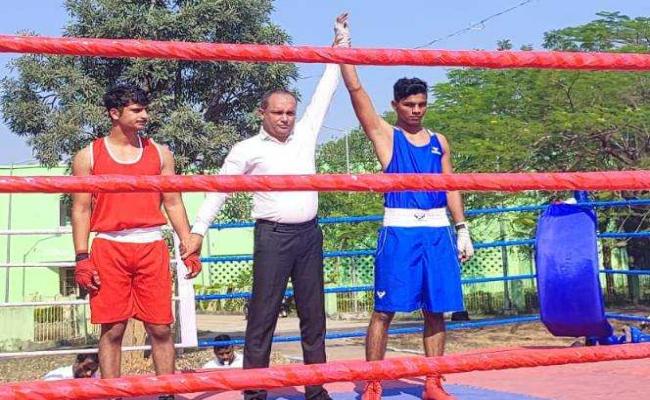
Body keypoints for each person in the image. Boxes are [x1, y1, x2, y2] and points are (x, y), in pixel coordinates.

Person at [180, 17, 349, 400]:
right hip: (272, 237)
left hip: (309, 235)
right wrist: (197, 232)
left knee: (314, 318)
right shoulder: (246, 149)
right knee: (262, 318)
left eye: (290, 112)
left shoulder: (305, 133)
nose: (286, 118)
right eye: (278, 112)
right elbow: (220, 190)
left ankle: (316, 390)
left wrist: (340, 42)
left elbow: (326, 88)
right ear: (263, 113)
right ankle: (254, 392)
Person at [336, 14, 474, 400]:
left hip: (437, 231)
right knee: (385, 311)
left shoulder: (439, 141)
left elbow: (451, 186)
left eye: (422, 104)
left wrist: (462, 229)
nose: (416, 110)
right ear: (396, 104)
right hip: (399, 231)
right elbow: (356, 91)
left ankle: (433, 381)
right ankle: (373, 381)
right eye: (410, 104)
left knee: (436, 309)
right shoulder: (386, 135)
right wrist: (343, 45)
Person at [71, 84, 202, 399]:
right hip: (108, 246)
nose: (145, 115)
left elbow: (172, 201)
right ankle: (112, 395)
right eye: (136, 110)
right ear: (114, 114)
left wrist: (188, 244)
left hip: (151, 245)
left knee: (160, 327)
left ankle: (167, 394)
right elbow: (81, 208)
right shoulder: (88, 155)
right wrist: (81, 257)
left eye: (145, 109)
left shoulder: (160, 152)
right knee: (113, 329)